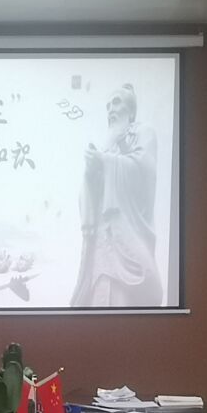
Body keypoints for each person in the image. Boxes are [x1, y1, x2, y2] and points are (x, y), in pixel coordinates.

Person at [69, 83, 165, 308]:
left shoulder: (143, 132)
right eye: (107, 106)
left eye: (116, 102)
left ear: (131, 111)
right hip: (102, 243)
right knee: (99, 295)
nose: (110, 109)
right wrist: (91, 172)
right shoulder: (108, 144)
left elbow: (144, 171)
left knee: (122, 303)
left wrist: (105, 161)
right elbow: (91, 194)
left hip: (127, 235)